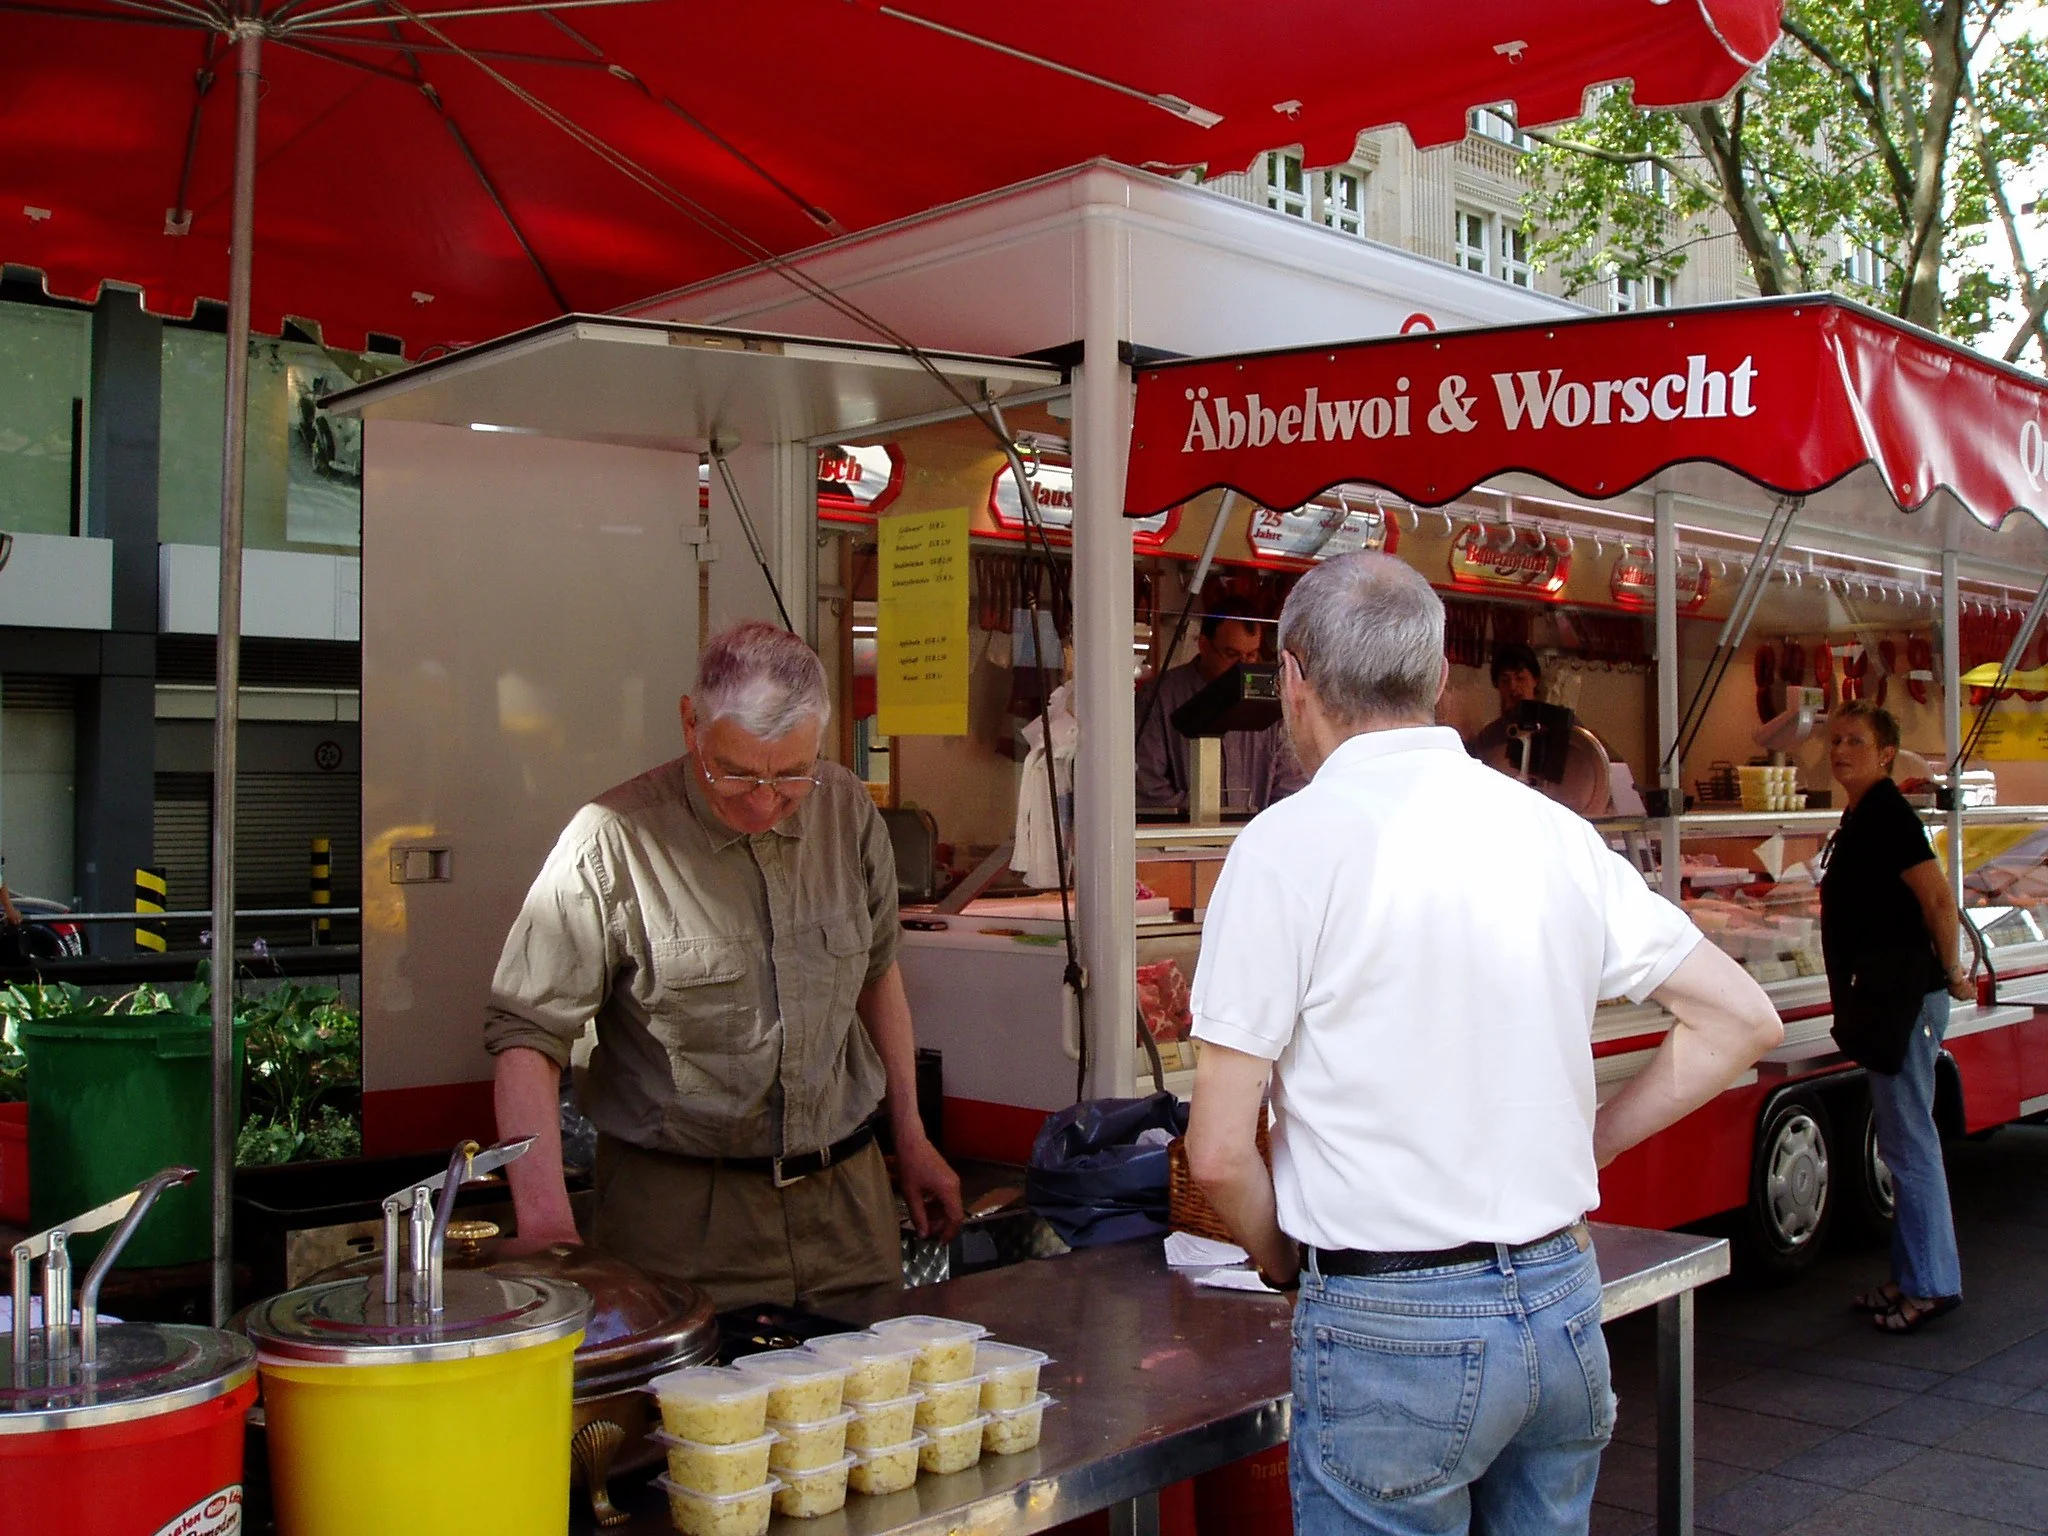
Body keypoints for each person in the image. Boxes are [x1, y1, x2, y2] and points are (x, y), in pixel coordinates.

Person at [1184, 553, 1782, 1536]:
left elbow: (1214, 1152)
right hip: (1557, 1304)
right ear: (1440, 675)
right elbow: (1738, 1020)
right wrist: (1591, 1141)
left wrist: (1282, 1263)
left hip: (1388, 1324)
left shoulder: (1284, 847)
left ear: (1291, 678)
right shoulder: (1548, 833)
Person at [486, 621, 963, 1311]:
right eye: (736, 773)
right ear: (691, 724)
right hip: (680, 1231)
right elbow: (526, 1037)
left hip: (848, 1217)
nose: (765, 801)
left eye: (791, 776)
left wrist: (912, 1137)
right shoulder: (612, 841)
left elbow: (878, 973)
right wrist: (552, 1231)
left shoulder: (847, 811)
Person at [1822, 699, 1970, 1334]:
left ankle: (1933, 1284)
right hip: (1885, 994)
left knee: (1911, 1146)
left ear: (1885, 754)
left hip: (1905, 996)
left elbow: (1937, 895)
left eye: (1855, 741)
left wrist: (1956, 970)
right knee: (1902, 1142)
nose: (1841, 751)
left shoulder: (1887, 813)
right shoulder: (1860, 815)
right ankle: (1910, 1275)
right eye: (1835, 741)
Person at [1135, 612, 1308, 816]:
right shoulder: (1160, 696)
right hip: (1180, 839)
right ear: (1204, 645)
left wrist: (1263, 825)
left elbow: (1291, 781)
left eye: (1251, 655)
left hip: (1255, 835)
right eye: (1232, 654)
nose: (1242, 665)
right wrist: (1201, 816)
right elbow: (1146, 783)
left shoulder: (1271, 697)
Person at [1465, 639, 1544, 768]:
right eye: (1505, 680)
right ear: (1497, 685)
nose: (1513, 687)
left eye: (1520, 678)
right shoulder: (1488, 738)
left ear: (1535, 680)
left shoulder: (1564, 727)